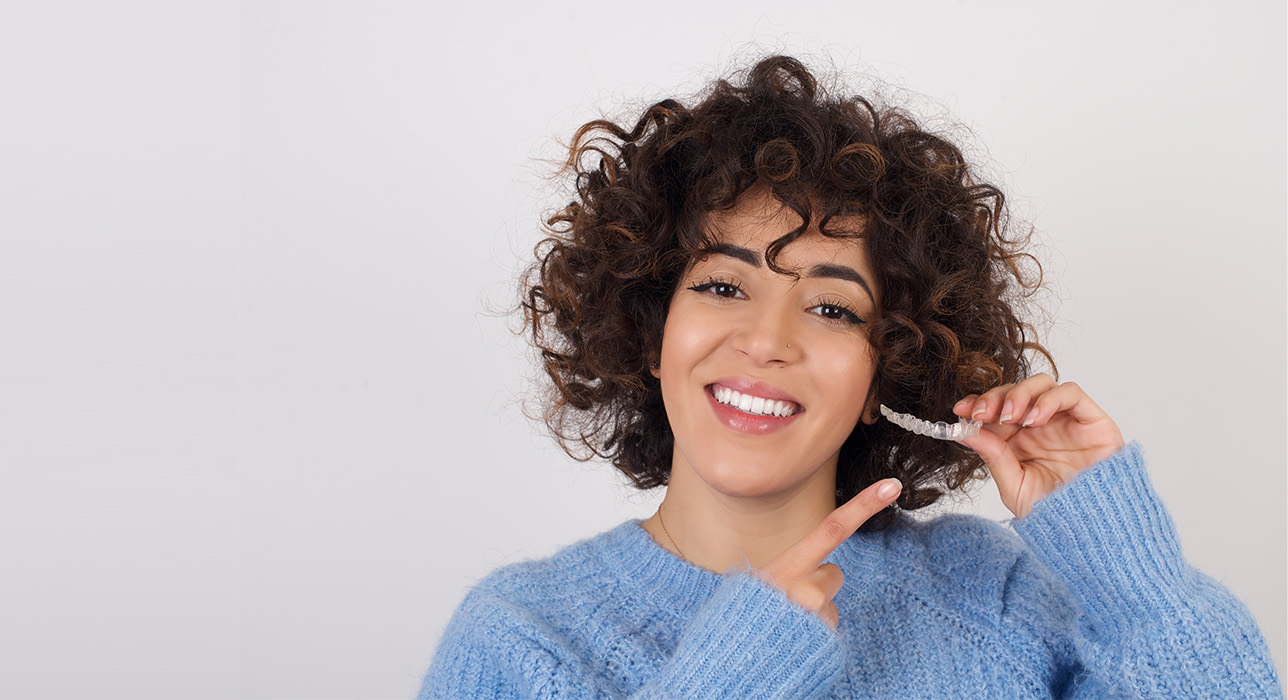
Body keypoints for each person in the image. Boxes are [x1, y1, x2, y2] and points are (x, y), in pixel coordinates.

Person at [415, 54, 1283, 699]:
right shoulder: (525, 639)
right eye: (722, 287)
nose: (766, 340)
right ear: (651, 333)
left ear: (885, 373)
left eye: (832, 308)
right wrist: (739, 673)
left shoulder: (1001, 598)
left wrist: (1129, 575)